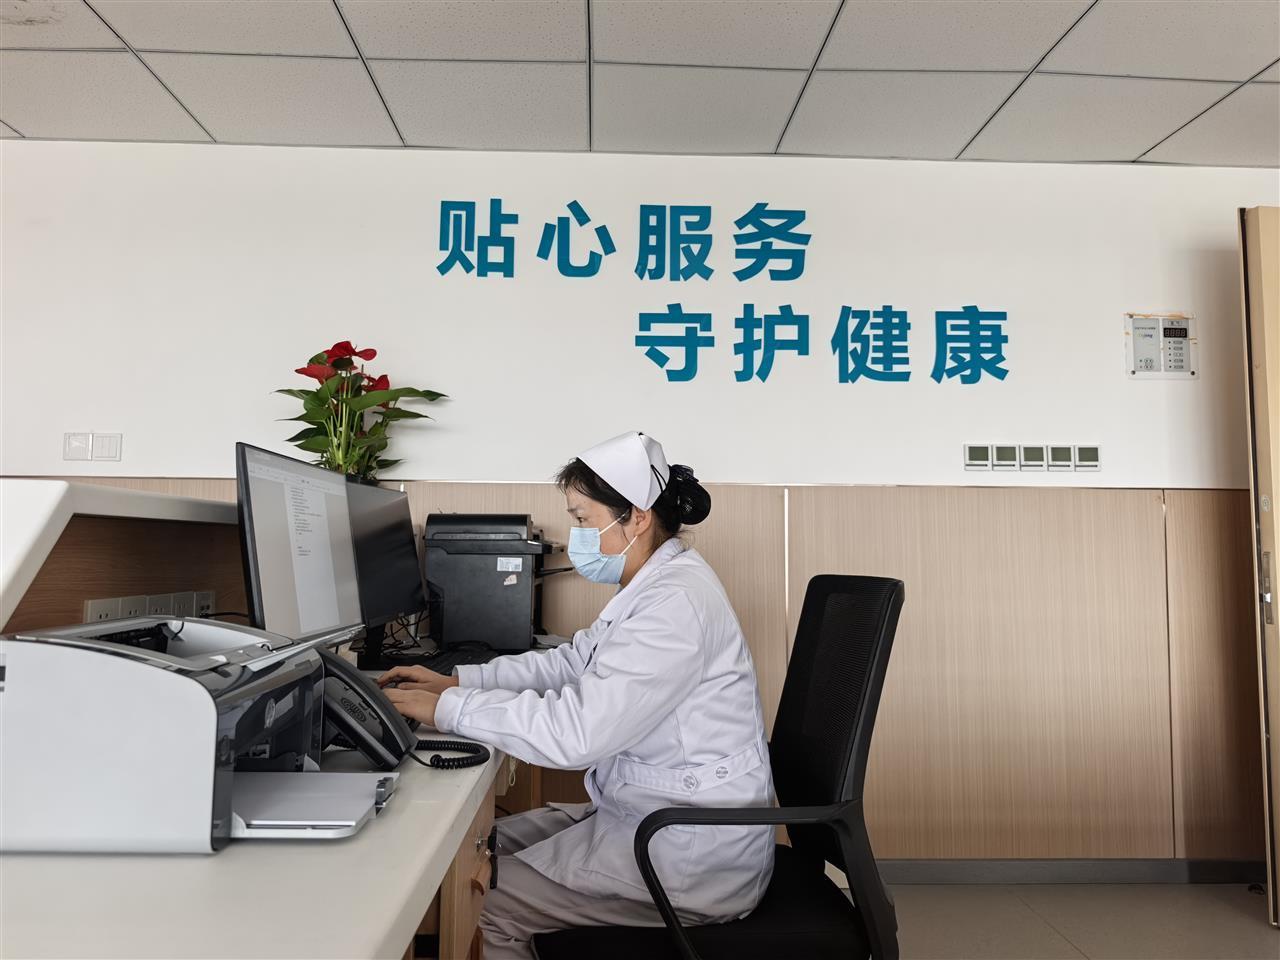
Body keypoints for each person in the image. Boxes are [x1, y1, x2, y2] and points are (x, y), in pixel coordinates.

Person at [379, 431, 774, 959]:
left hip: (688, 850)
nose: (578, 536)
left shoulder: (674, 605)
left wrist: (449, 710)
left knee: (480, 900)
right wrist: (460, 683)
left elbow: (577, 734)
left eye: (585, 520)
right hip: (651, 813)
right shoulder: (656, 584)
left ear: (637, 517)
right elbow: (572, 662)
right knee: (468, 850)